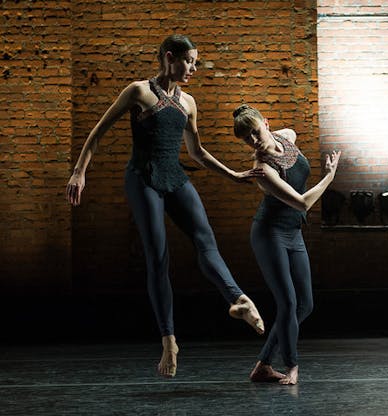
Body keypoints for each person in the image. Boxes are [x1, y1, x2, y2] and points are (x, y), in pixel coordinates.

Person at [66, 35, 265, 378]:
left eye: (196, 63)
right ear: (169, 58)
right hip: (142, 178)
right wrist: (78, 172)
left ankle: (238, 299)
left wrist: (233, 175)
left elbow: (196, 152)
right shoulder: (139, 91)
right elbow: (98, 132)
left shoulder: (188, 102)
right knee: (158, 257)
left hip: (175, 176)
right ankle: (169, 340)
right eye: (189, 61)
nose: (193, 69)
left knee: (206, 240)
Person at [232, 104, 341, 385]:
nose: (254, 142)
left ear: (266, 124)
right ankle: (291, 365)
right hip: (269, 234)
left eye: (255, 133)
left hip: (293, 232)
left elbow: (291, 135)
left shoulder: (286, 136)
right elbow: (303, 203)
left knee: (305, 304)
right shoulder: (262, 169)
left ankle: (263, 365)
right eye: (247, 139)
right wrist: (329, 177)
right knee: (288, 303)